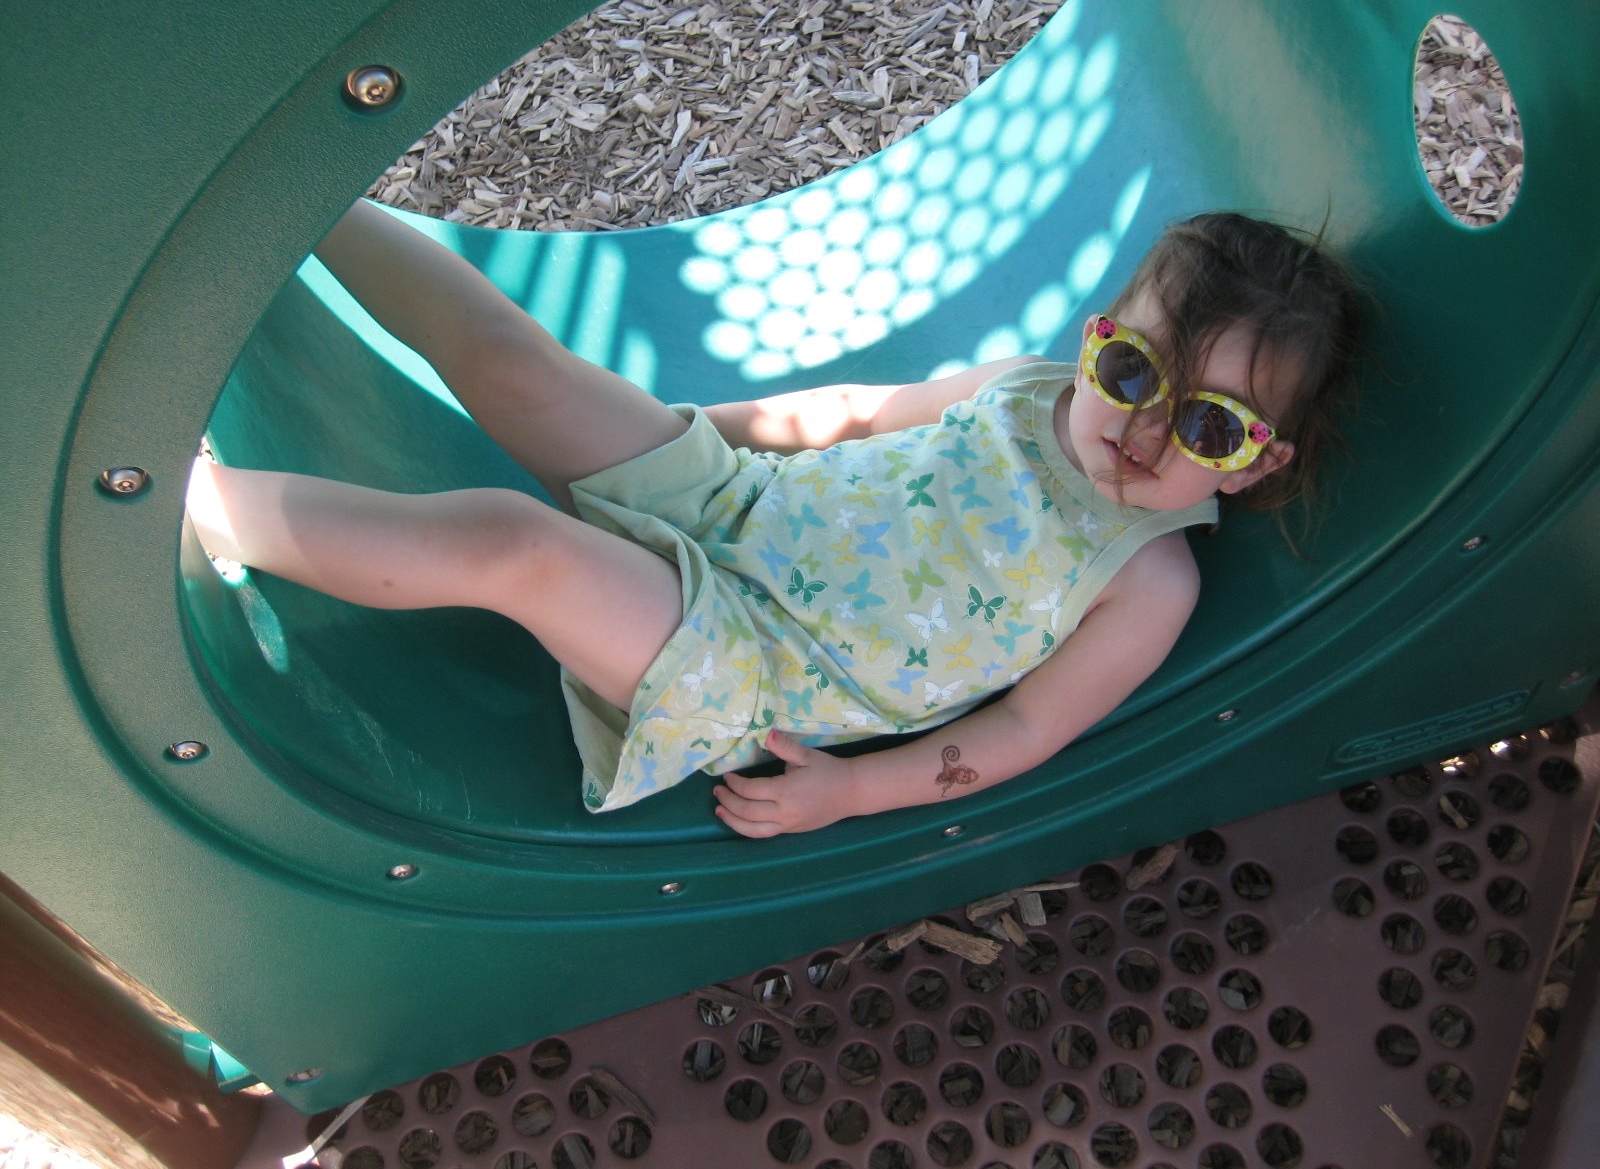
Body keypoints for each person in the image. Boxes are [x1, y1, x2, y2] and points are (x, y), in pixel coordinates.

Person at [187, 204, 1361, 837]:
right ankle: (307, 201)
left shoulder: (1145, 583)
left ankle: (210, 512)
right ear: (1099, 335)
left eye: (1208, 426)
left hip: (748, 664)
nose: (1145, 427)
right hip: (736, 502)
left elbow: (1020, 732)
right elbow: (854, 414)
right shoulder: (1027, 389)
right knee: (520, 367)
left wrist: (851, 792)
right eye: (1132, 369)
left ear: (1258, 465)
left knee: (515, 544)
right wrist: (688, 435)